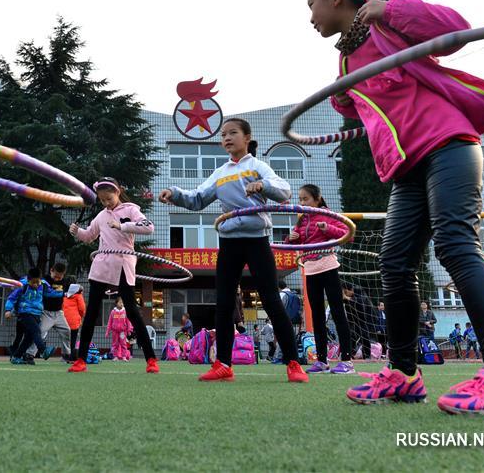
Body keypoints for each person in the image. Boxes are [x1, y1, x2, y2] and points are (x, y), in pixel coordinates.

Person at [308, 0, 484, 413]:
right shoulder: (348, 55)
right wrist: (341, 93)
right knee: (394, 265)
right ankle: (405, 374)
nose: (309, 15)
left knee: (456, 245)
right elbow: (363, 107)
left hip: (447, 146)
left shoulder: (388, 21)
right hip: (407, 168)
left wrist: (388, 10)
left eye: (310, 3)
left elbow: (457, 29)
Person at [160, 118, 307, 383]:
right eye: (223, 135)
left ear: (247, 137)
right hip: (229, 241)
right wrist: (174, 192)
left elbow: (284, 192)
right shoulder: (220, 172)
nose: (227, 138)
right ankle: (223, 364)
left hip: (257, 240)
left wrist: (263, 186)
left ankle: (294, 363)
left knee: (272, 301)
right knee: (224, 304)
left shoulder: (257, 166)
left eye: (233, 133)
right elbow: (197, 199)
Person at [68, 177, 159, 374]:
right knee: (91, 313)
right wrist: (77, 232)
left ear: (118, 192)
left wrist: (123, 226)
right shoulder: (101, 216)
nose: (106, 203)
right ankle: (80, 360)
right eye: (102, 200)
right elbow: (89, 236)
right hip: (101, 267)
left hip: (123, 267)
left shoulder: (130, 209)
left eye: (109, 198)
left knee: (133, 313)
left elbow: (149, 227)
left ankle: (151, 359)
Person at [286, 184, 354, 374]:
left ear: (317, 199)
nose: (302, 203)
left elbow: (348, 235)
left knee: (338, 312)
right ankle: (322, 361)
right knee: (316, 316)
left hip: (328, 267)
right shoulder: (302, 219)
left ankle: (347, 361)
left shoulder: (328, 214)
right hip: (310, 269)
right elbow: (294, 242)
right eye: (299, 199)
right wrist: (291, 238)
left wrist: (328, 228)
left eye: (305, 199)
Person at [5, 268, 54, 365]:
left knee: (29, 338)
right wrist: (8, 310)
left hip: (37, 313)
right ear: (28, 280)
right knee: (36, 331)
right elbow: (12, 298)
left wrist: (63, 293)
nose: (36, 284)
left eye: (37, 282)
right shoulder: (22, 285)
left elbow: (51, 293)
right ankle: (43, 350)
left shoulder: (44, 284)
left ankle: (16, 357)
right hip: (25, 313)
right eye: (33, 282)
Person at [34, 262, 72, 361]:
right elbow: (46, 294)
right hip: (46, 313)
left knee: (66, 331)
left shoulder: (64, 281)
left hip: (59, 313)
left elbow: (69, 292)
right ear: (51, 270)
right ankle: (30, 354)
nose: (57, 279)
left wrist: (78, 289)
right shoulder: (45, 280)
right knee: (40, 332)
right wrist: (62, 294)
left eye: (60, 277)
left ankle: (66, 354)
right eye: (55, 276)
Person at [341, 283, 376, 361]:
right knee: (351, 335)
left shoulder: (359, 290)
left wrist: (347, 298)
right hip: (353, 319)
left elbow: (360, 302)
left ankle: (367, 356)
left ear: (351, 290)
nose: (344, 294)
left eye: (346, 292)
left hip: (366, 318)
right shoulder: (346, 295)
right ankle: (349, 354)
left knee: (364, 336)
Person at [62, 283, 86, 362]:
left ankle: (65, 356)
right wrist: (81, 317)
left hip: (64, 320)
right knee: (73, 339)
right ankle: (72, 357)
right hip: (74, 321)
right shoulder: (78, 296)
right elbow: (82, 308)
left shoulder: (64, 296)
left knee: (65, 339)